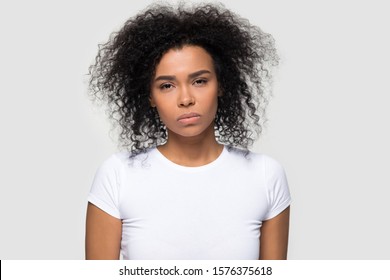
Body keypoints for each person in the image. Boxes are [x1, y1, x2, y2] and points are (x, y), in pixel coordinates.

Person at [85, 2, 291, 260]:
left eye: (199, 81)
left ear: (221, 85)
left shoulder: (265, 175)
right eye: (167, 85)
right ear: (150, 96)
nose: (185, 99)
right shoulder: (117, 175)